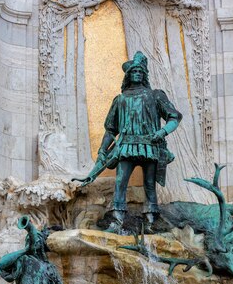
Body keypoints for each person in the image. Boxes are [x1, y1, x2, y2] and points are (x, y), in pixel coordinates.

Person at [78, 51, 182, 233]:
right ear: (128, 75)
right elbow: (111, 130)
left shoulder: (156, 95)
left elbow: (174, 117)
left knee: (149, 184)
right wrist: (102, 150)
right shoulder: (120, 100)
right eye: (134, 72)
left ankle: (150, 218)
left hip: (150, 145)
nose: (137, 74)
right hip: (126, 146)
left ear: (144, 75)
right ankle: (117, 217)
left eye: (140, 72)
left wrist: (162, 132)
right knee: (120, 181)